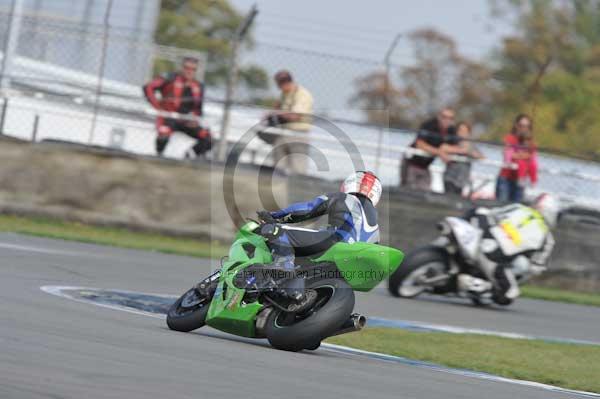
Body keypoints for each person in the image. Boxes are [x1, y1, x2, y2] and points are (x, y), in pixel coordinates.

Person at [256, 171, 382, 311]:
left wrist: (274, 217)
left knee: (276, 231)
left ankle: (284, 267)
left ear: (348, 184)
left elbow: (307, 209)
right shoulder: (376, 228)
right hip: (349, 263)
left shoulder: (344, 197)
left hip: (333, 241)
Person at [457, 193, 558, 304]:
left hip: (483, 239)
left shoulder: (518, 208)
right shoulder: (547, 238)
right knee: (511, 290)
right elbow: (536, 267)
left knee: (480, 211)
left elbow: (492, 214)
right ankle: (480, 285)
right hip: (497, 258)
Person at [143, 57, 212, 158]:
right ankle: (158, 157)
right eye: (187, 68)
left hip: (186, 120)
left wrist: (195, 120)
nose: (189, 71)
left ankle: (188, 157)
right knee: (163, 135)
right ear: (182, 68)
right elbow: (148, 87)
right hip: (168, 117)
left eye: (193, 69)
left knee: (207, 139)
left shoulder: (198, 86)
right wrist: (158, 107)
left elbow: (198, 109)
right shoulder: (170, 78)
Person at [261, 70, 314, 175]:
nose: (279, 87)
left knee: (298, 171)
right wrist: (270, 114)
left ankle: (297, 189)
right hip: (283, 133)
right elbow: (276, 108)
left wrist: (276, 113)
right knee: (277, 169)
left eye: (279, 84)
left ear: (285, 82)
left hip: (298, 134)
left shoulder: (302, 94)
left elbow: (294, 116)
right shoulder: (284, 94)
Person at [400, 108, 459, 191]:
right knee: (407, 191)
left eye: (450, 118)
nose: (447, 120)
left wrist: (446, 149)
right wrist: (440, 152)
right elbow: (419, 144)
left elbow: (457, 146)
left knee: (425, 192)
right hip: (410, 162)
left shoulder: (452, 130)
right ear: (439, 116)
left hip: (425, 167)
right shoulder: (429, 125)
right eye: (444, 117)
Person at [496, 114, 538, 202]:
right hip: (506, 178)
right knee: (501, 204)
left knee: (516, 207)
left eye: (527, 126)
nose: (524, 128)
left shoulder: (531, 142)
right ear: (516, 125)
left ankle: (533, 181)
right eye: (521, 125)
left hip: (520, 181)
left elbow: (532, 157)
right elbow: (507, 154)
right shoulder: (510, 138)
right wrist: (524, 155)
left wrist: (520, 155)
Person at [441, 121, 484, 195]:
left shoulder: (471, 145)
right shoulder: (452, 140)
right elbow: (443, 148)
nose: (462, 133)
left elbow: (481, 157)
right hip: (450, 178)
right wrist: (461, 150)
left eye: (465, 131)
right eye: (460, 130)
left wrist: (470, 152)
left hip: (462, 180)